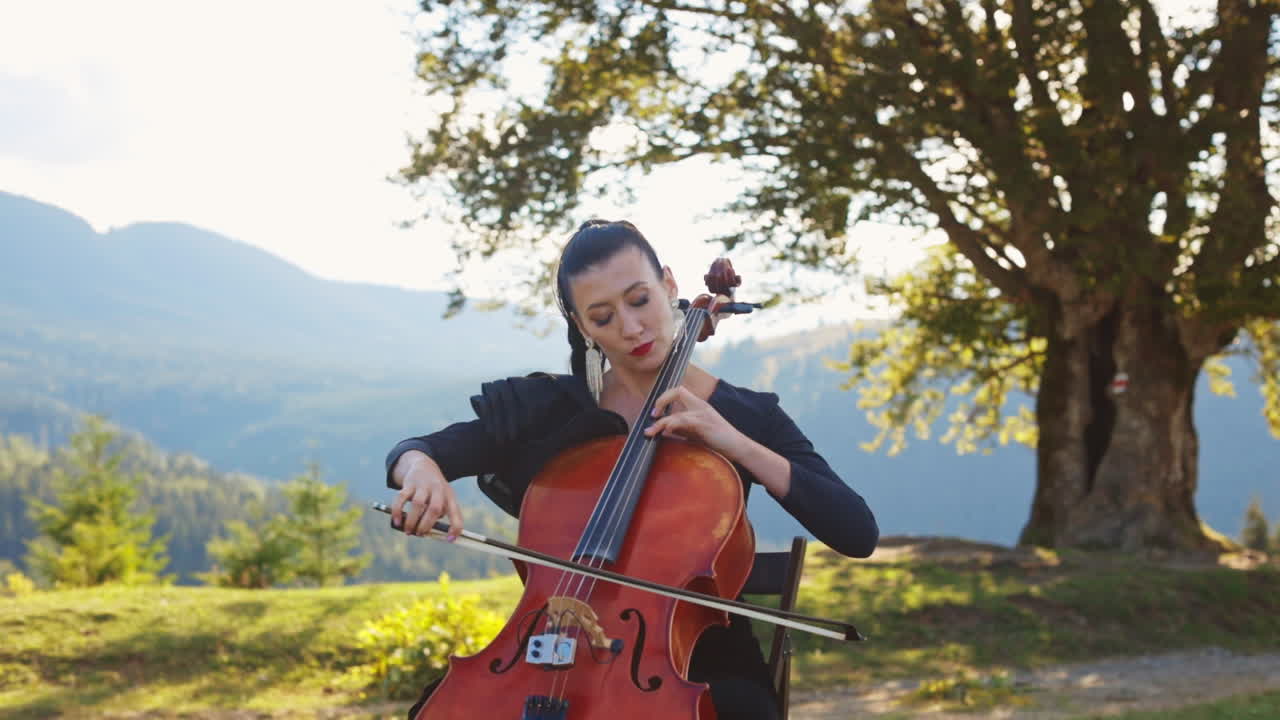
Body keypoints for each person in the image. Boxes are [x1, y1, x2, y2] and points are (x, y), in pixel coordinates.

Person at [385, 219, 878, 720]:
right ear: (583, 327)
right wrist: (419, 468)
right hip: (548, 651)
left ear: (668, 286)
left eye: (640, 300)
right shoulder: (553, 408)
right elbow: (422, 449)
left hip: (694, 666)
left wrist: (729, 438)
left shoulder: (748, 415)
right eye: (602, 316)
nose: (630, 327)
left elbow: (856, 532)